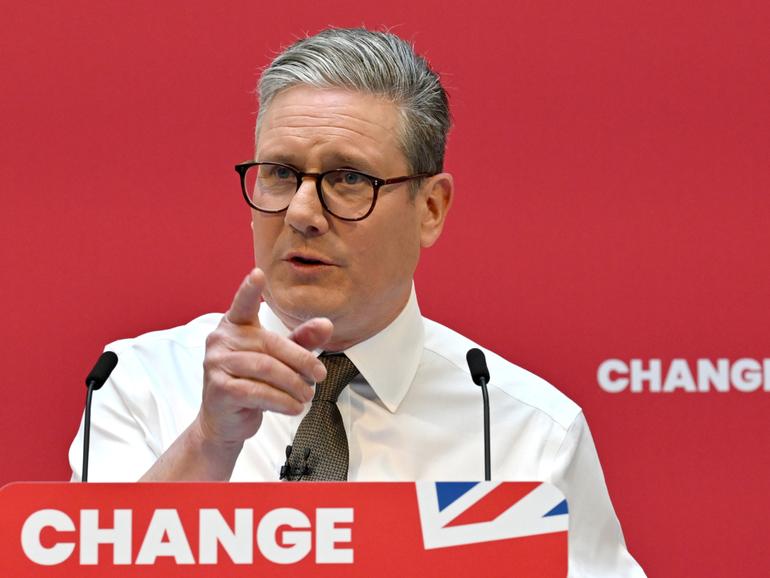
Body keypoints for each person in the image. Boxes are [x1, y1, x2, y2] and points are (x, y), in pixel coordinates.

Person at [69, 27, 646, 575]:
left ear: (431, 209)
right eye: (279, 173)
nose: (300, 212)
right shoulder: (138, 384)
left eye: (348, 179)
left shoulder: (526, 431)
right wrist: (209, 441)